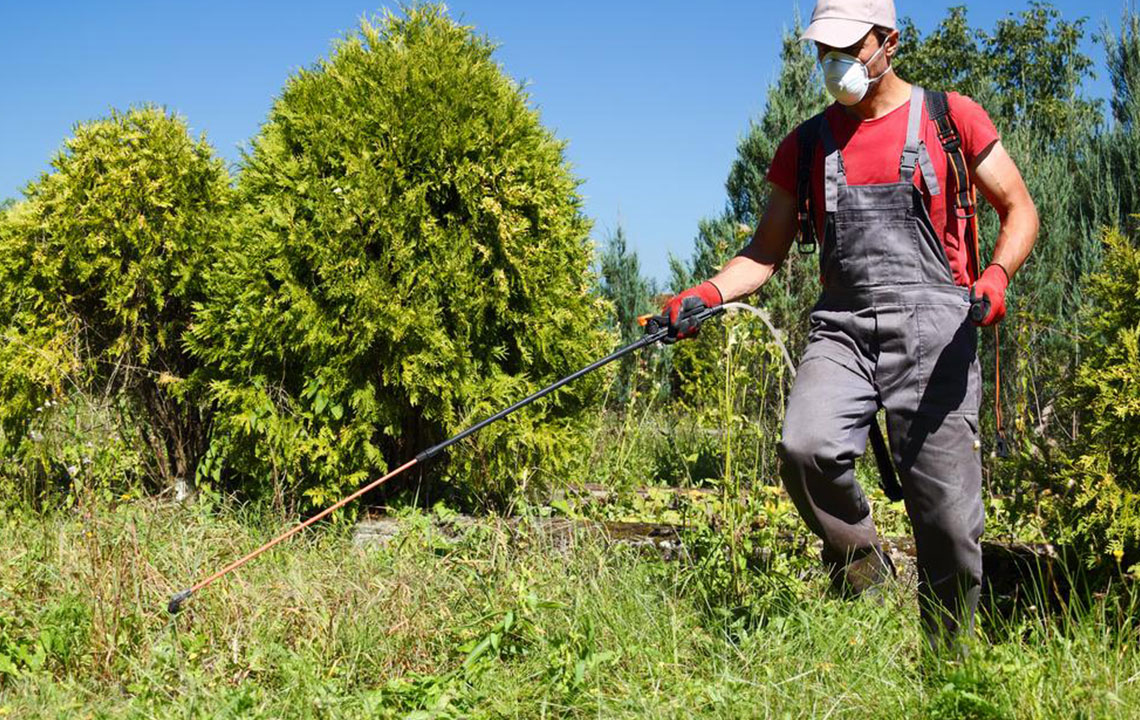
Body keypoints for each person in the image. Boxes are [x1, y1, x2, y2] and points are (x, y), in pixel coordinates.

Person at [660, 0, 1038, 649]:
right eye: (823, 50)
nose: (836, 63)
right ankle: (863, 566)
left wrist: (997, 276)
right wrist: (706, 294)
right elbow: (764, 252)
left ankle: (947, 669)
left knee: (947, 521)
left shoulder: (951, 118)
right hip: (843, 325)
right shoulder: (805, 145)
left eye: (850, 47)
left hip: (937, 325)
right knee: (805, 448)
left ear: (888, 41)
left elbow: (1020, 208)